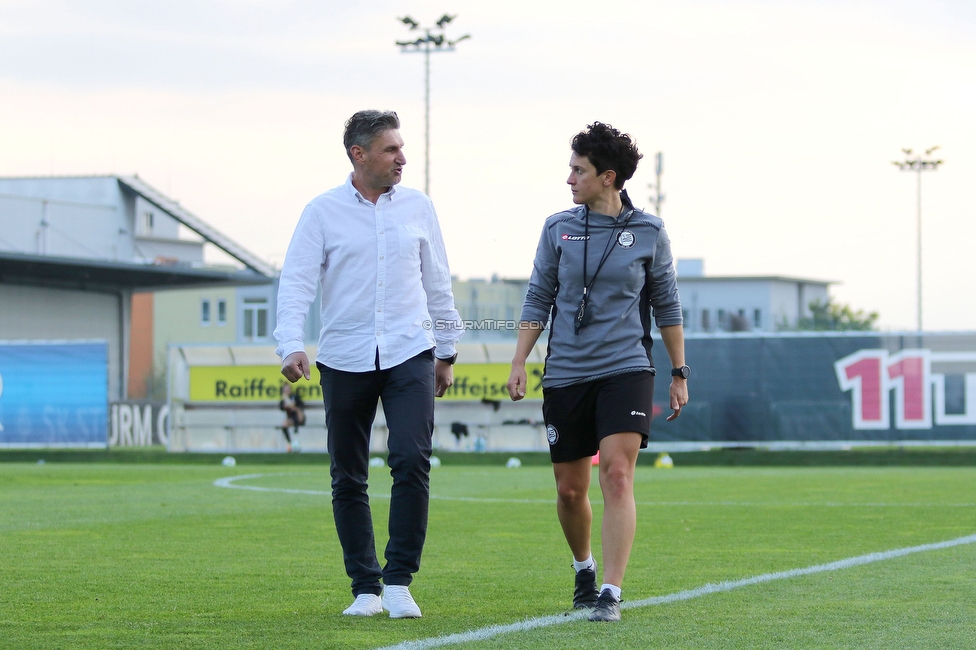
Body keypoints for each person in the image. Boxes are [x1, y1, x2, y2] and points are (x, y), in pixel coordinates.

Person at [274, 110, 463, 619]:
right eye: (390, 149)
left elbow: (437, 281)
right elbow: (296, 283)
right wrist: (291, 343)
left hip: (410, 351)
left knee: (410, 459)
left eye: (401, 148)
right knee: (348, 476)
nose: (402, 157)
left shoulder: (419, 207)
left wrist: (446, 351)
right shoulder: (321, 212)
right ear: (359, 155)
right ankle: (365, 588)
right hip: (344, 357)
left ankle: (399, 581)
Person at [506, 122, 689, 622]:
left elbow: (667, 305)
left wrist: (679, 370)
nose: (569, 178)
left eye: (578, 170)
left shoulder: (649, 232)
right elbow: (538, 295)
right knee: (570, 489)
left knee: (616, 472)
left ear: (608, 177)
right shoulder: (556, 227)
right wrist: (520, 359)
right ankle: (583, 568)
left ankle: (610, 590)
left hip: (626, 368)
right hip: (565, 372)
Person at [278, 383, 306, 452]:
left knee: (297, 411)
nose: (287, 391)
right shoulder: (284, 399)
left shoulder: (295, 397)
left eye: (288, 389)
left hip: (298, 417)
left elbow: (301, 406)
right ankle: (290, 443)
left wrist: (294, 407)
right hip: (291, 418)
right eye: (285, 389)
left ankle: (294, 443)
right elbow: (281, 407)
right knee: (284, 424)